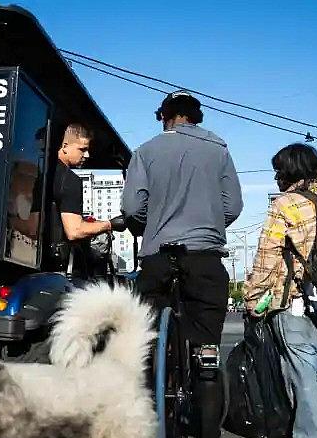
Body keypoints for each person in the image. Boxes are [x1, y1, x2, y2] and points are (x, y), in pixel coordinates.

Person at [242, 143, 317, 438]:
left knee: (301, 369)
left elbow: (267, 256)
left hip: (295, 300)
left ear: (290, 172)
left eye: (278, 171)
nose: (275, 177)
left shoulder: (285, 205)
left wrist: (253, 296)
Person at [122, 91, 242, 348]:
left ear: (164, 116)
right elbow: (232, 206)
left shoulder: (144, 152)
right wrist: (208, 225)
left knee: (149, 343)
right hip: (205, 259)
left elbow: (132, 209)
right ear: (195, 117)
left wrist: (152, 225)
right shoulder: (219, 150)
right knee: (206, 346)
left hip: (158, 260)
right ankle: (206, 369)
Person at [45, 123, 125, 275]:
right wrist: (110, 224)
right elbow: (74, 231)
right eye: (82, 149)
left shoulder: (42, 172)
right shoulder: (69, 180)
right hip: (59, 270)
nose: (87, 155)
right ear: (65, 146)